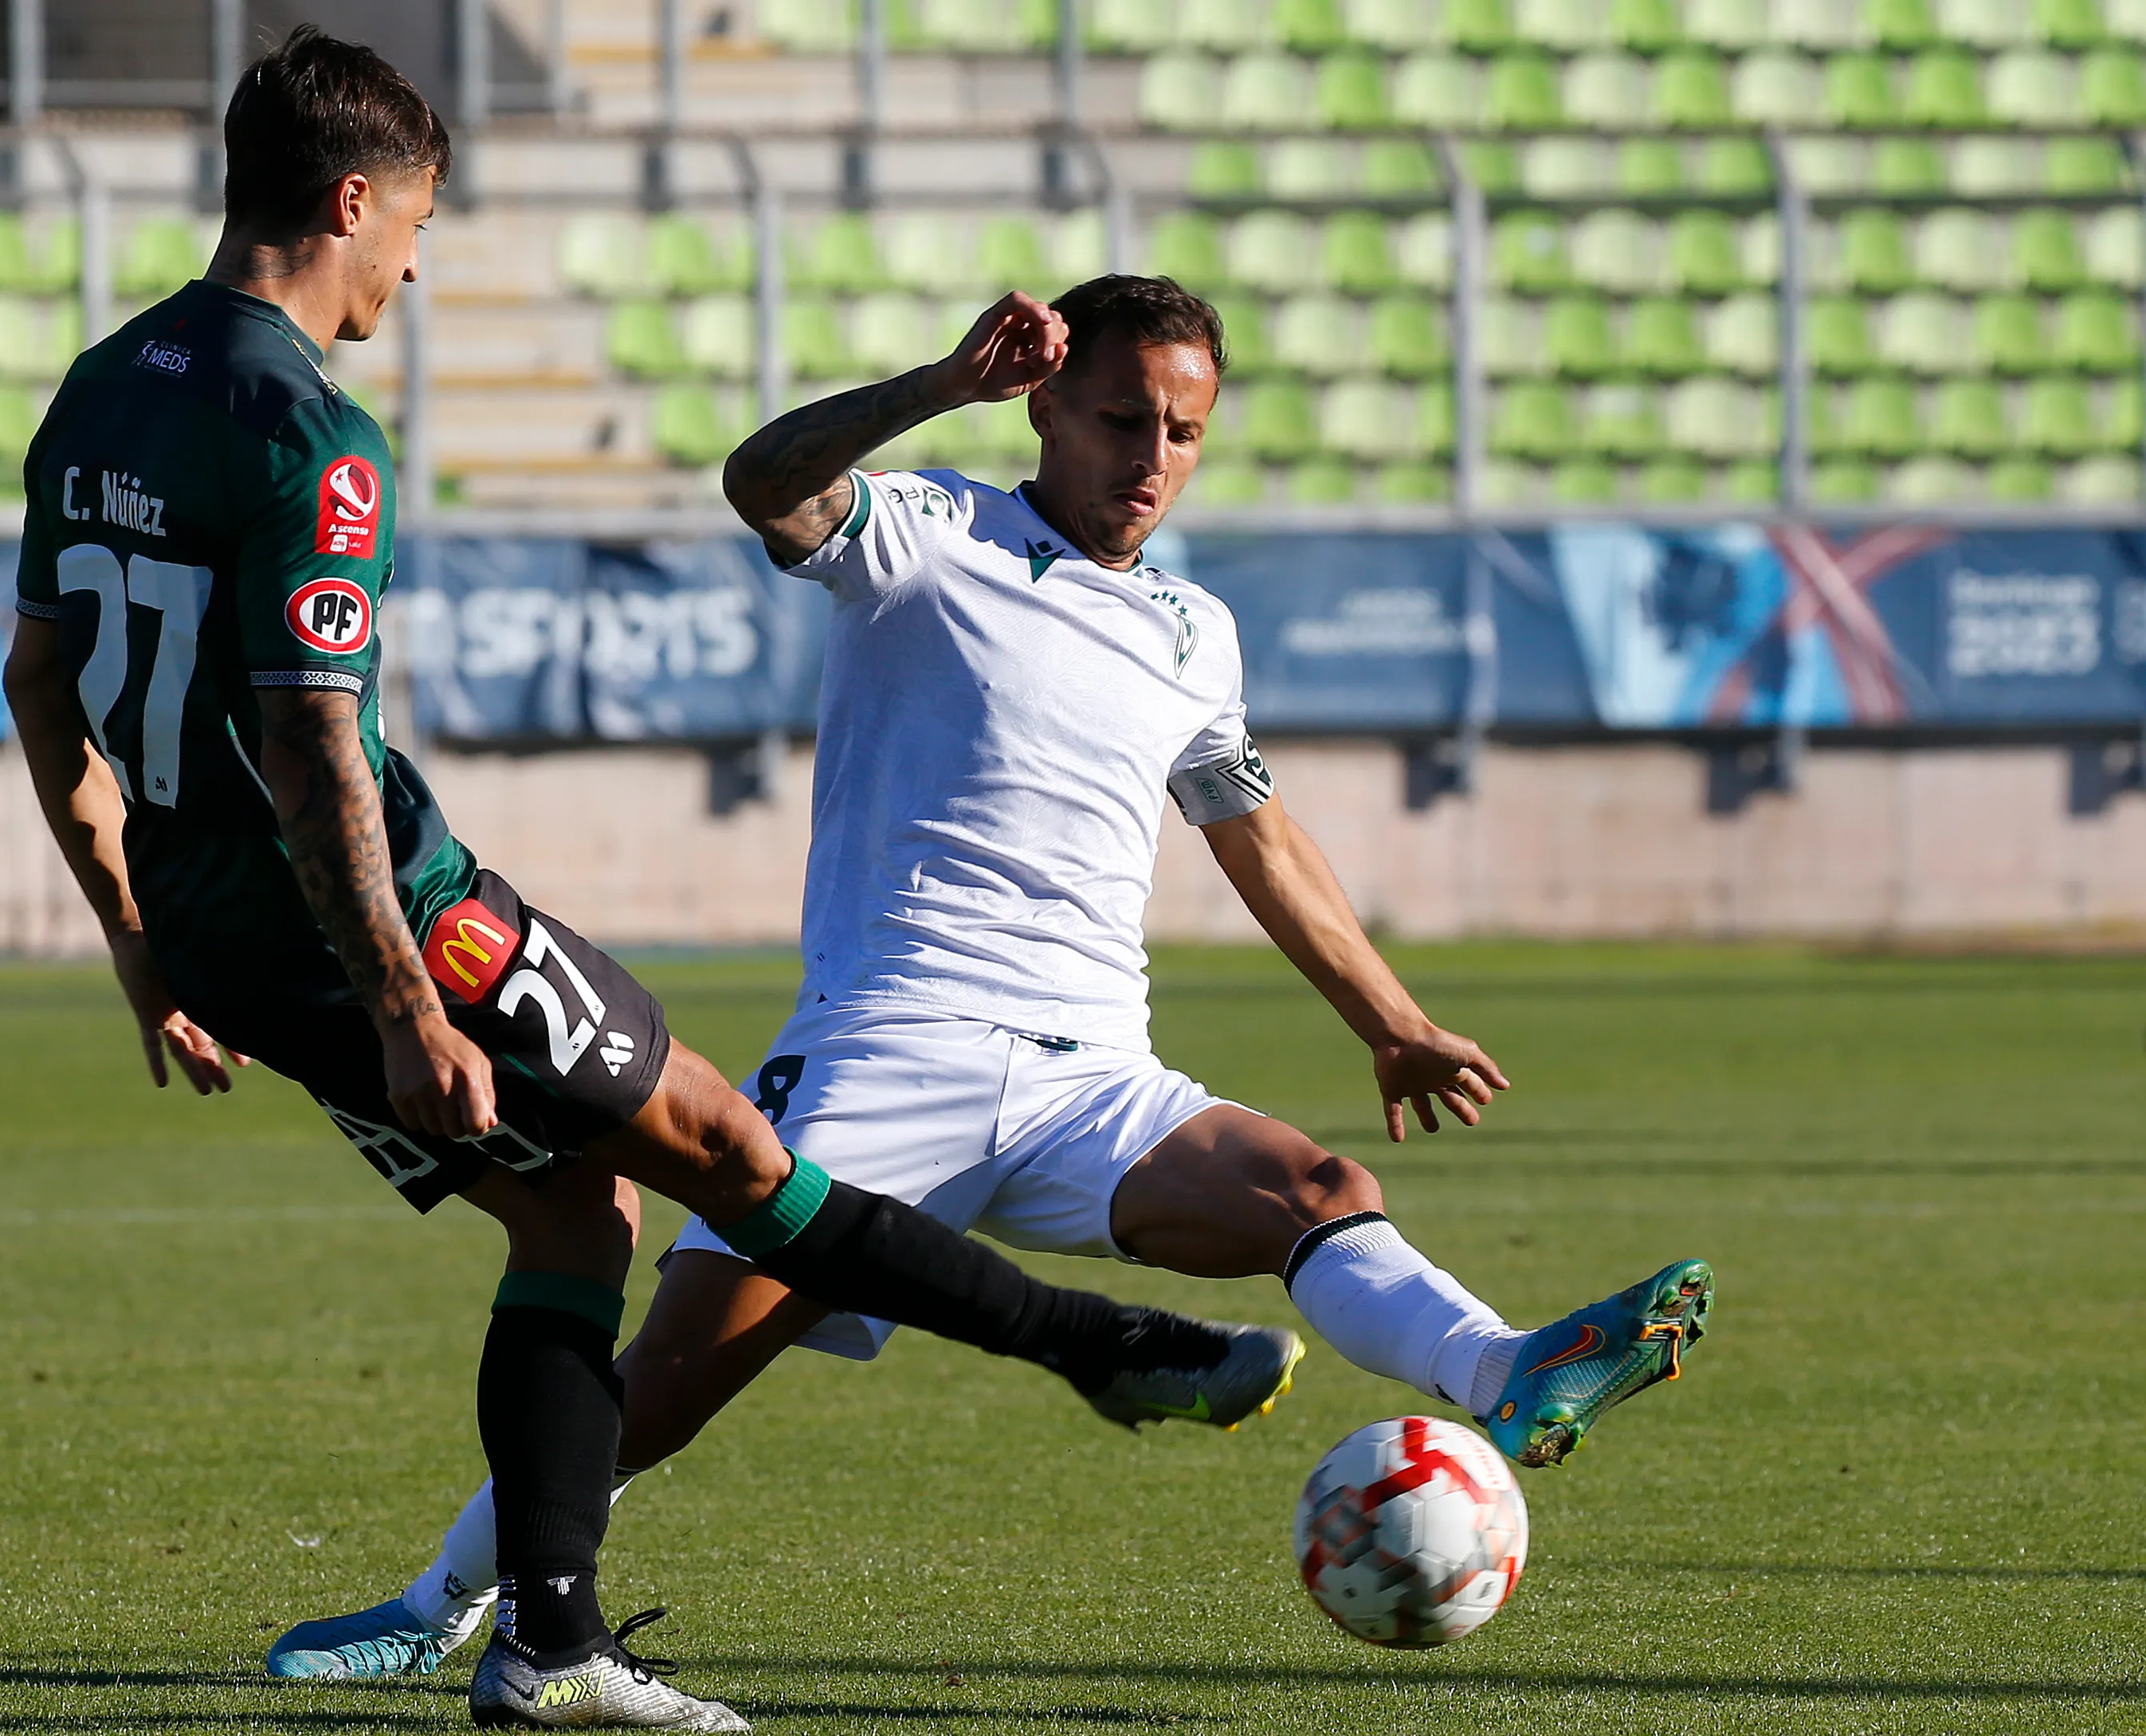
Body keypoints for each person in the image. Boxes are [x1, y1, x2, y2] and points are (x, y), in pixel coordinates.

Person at [4, 34, 1299, 1733]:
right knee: (731, 1154)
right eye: (415, 222)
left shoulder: (100, 386)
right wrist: (405, 999)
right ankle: (1103, 1354)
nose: (417, 258)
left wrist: (137, 944)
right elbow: (315, 743)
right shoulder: (310, 431)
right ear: (347, 202)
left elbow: (43, 684)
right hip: (391, 917)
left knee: (571, 1214)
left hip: (225, 938)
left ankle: (547, 1643)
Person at [272, 276, 1716, 1679]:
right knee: (660, 1390)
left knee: (1320, 1194)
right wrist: (937, 388)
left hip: (1097, 1079)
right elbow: (760, 482)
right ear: (1046, 407)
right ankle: (438, 1604)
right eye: (1120, 418)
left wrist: (1390, 1020)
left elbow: (1254, 828)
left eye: (1184, 432)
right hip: (885, 1053)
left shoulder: (1193, 633)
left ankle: (1503, 1369)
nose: (1152, 459)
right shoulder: (923, 532)